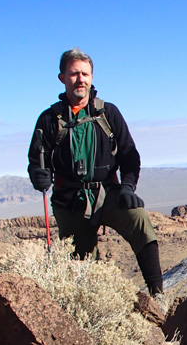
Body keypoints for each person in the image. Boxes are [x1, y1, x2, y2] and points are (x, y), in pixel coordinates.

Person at [27, 48, 164, 301]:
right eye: (74, 74)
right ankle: (91, 310)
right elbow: (37, 160)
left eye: (85, 74)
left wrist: (127, 186)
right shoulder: (48, 119)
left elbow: (130, 155)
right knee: (80, 264)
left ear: (92, 77)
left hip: (108, 193)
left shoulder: (107, 113)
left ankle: (158, 295)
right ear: (62, 78)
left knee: (140, 221)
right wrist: (39, 176)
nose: (80, 79)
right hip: (69, 199)